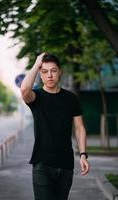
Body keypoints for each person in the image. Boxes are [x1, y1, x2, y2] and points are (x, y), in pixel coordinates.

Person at [20, 52, 90, 200]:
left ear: (60, 72)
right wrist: (36, 63)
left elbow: (79, 128)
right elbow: (24, 90)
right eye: (44, 72)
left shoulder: (71, 98)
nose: (49, 75)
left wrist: (83, 155)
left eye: (53, 70)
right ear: (40, 74)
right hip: (42, 165)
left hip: (66, 164)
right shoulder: (36, 97)